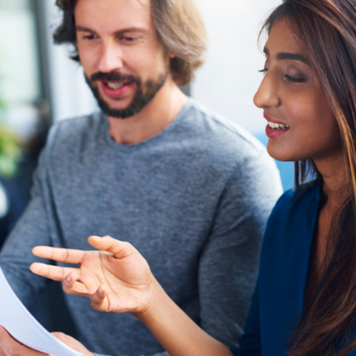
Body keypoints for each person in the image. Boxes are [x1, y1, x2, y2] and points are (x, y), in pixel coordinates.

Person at [29, 0, 356, 355]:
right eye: (265, 71)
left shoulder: (236, 165)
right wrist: (148, 298)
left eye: (292, 76)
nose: (260, 97)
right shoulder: (289, 217)